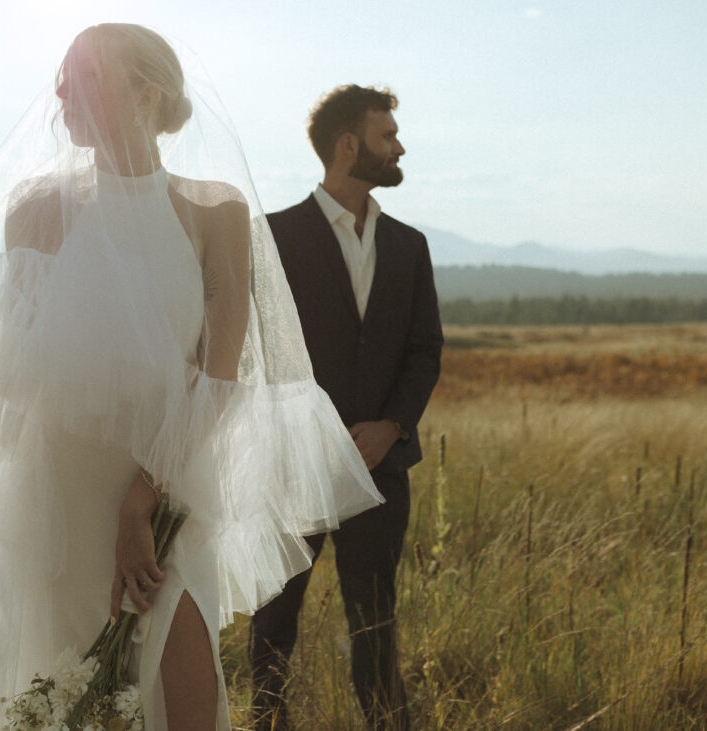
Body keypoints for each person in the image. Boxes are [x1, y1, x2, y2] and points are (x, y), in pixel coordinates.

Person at [0, 25, 382, 730]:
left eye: (82, 74)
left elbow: (223, 379)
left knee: (185, 700)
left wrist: (144, 501)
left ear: (147, 92)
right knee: (60, 696)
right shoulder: (38, 209)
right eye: (58, 75)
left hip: (167, 493)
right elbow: (21, 363)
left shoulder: (214, 210)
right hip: (57, 501)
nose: (58, 91)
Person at [248, 85, 444, 730]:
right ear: (348, 145)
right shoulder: (271, 238)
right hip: (291, 464)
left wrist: (393, 427)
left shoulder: (410, 246)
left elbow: (423, 350)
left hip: (378, 468)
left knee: (377, 626)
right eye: (387, 135)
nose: (400, 147)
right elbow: (255, 352)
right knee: (273, 625)